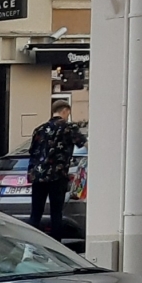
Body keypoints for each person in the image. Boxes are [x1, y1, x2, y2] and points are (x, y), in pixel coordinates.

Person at [27, 97, 85, 236]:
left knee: (35, 213)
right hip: (57, 176)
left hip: (38, 176)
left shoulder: (39, 129)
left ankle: (30, 244)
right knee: (56, 213)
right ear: (65, 111)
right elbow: (83, 144)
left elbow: (32, 151)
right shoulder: (69, 127)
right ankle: (56, 245)